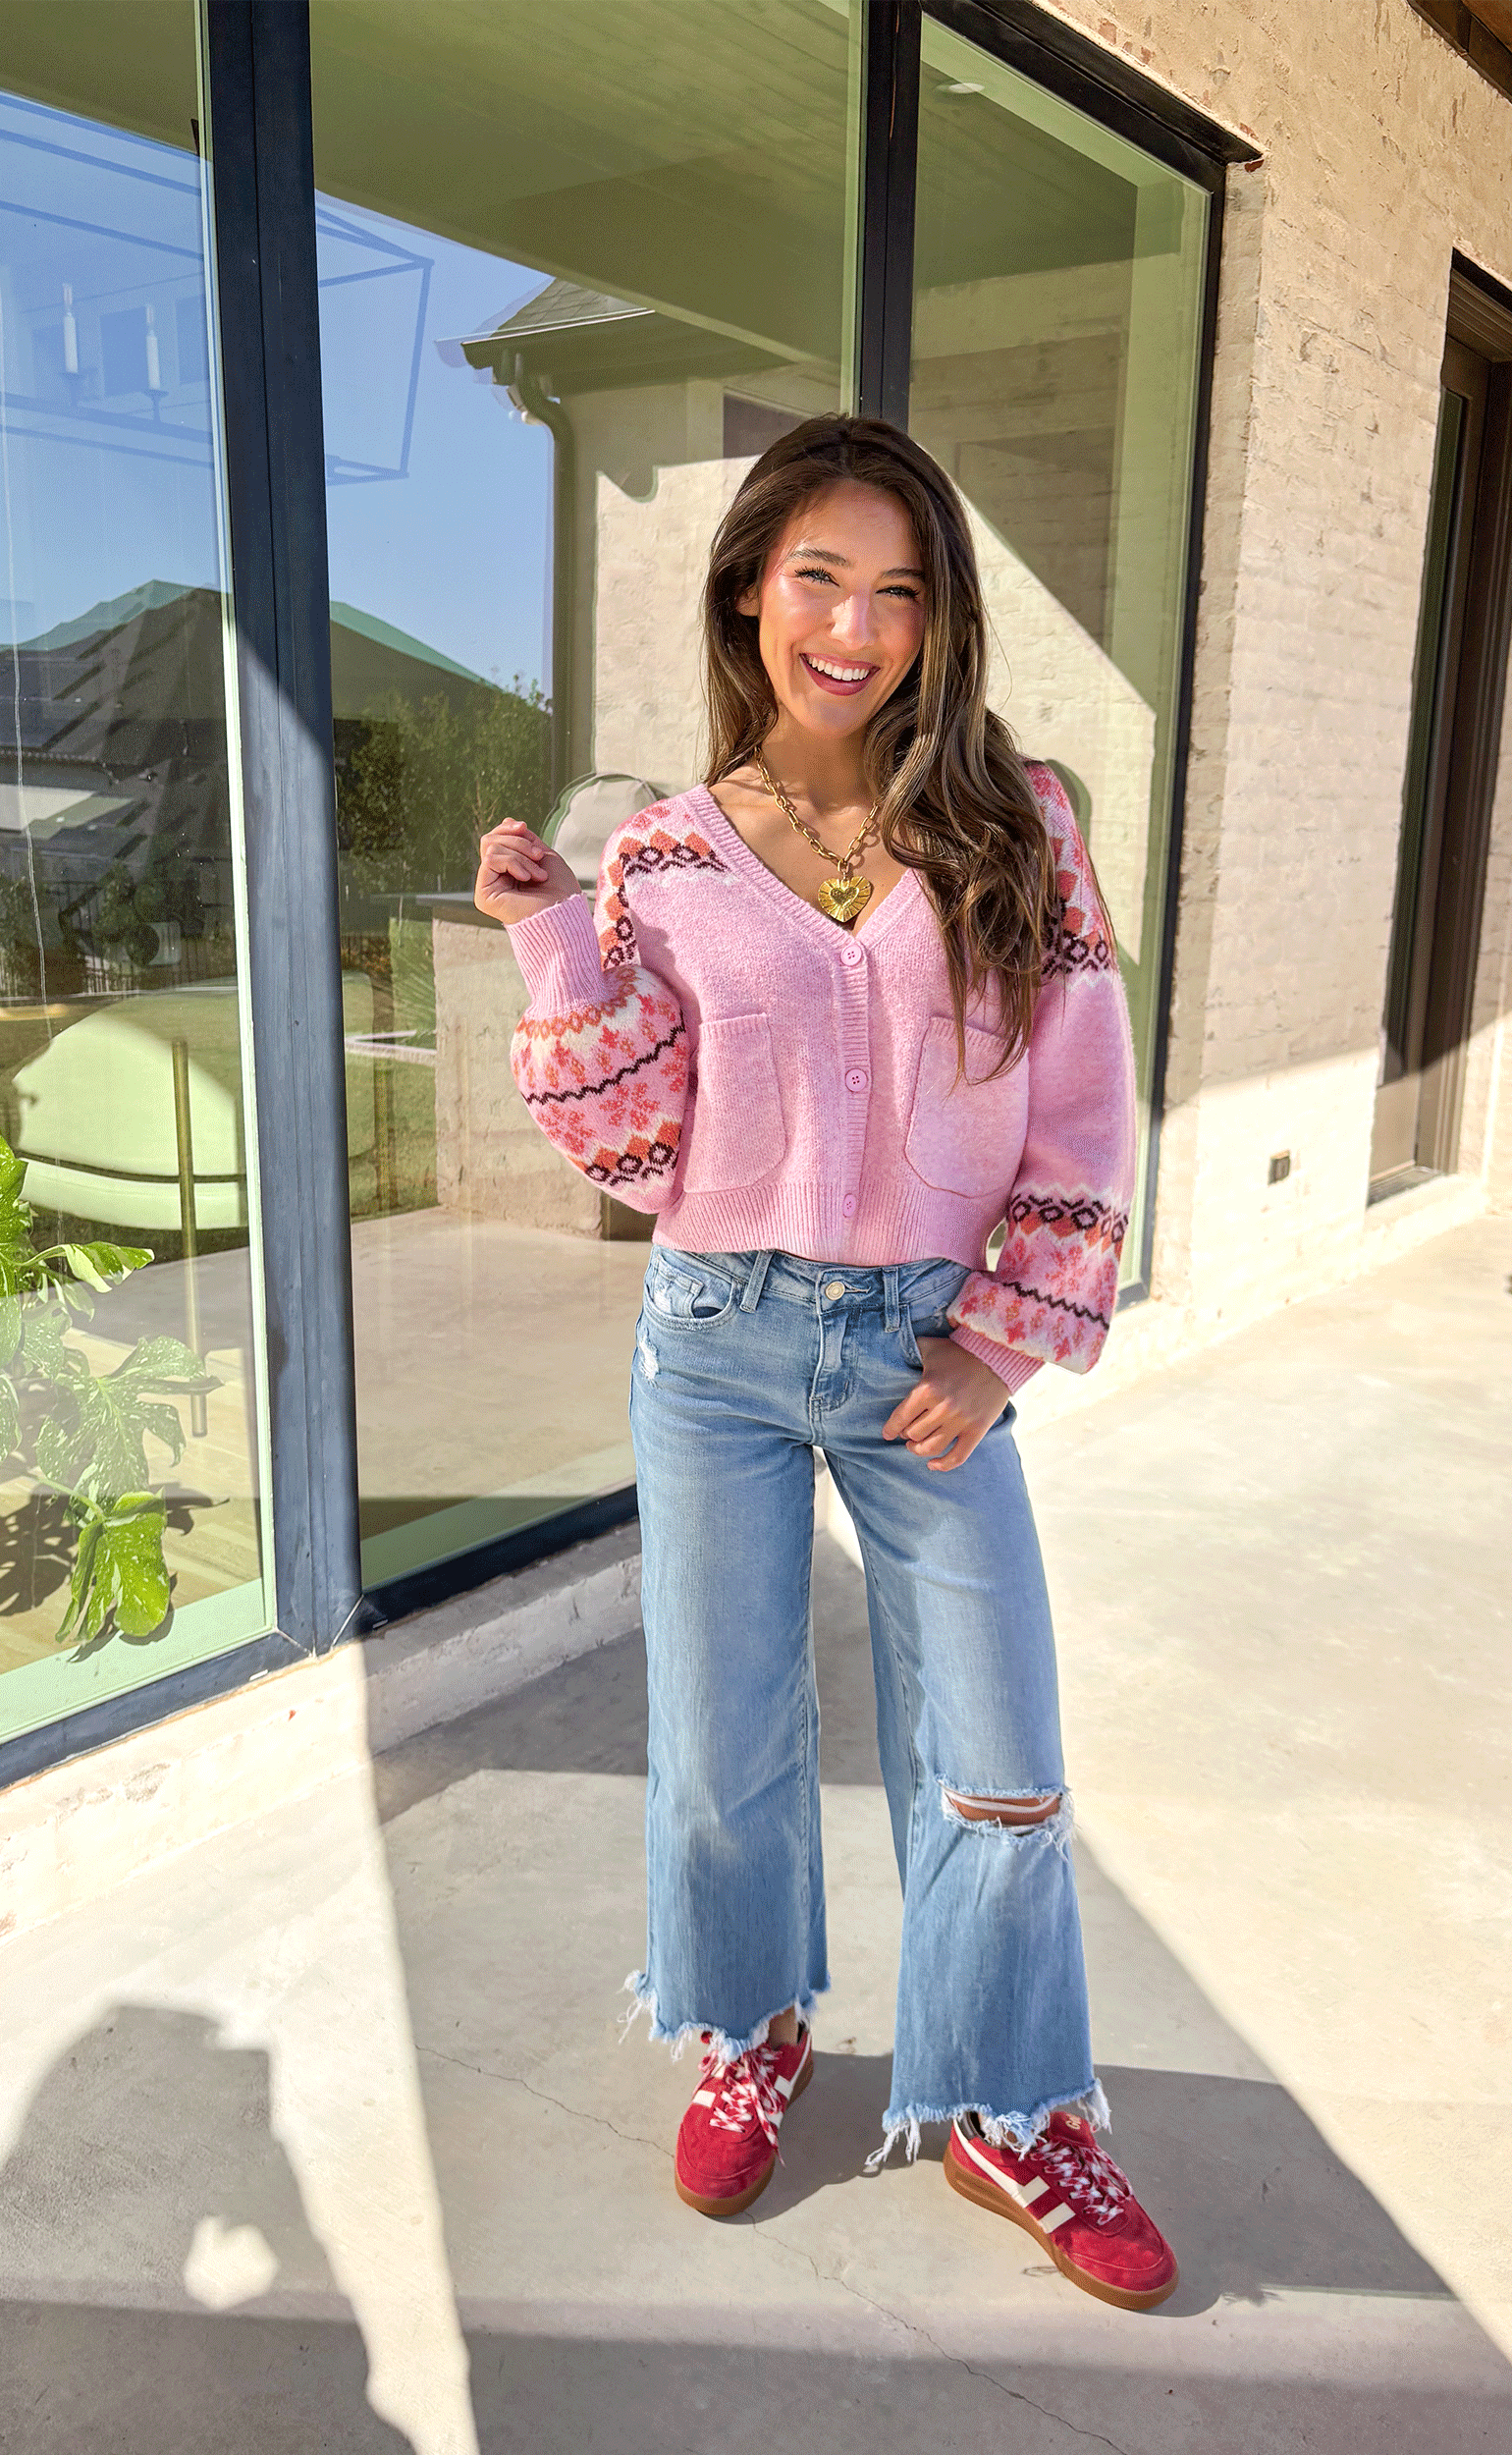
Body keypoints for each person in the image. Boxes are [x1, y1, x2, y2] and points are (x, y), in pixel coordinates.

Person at [473, 414, 1177, 2313]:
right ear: (748, 593)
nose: (854, 625)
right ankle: (749, 2025)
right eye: (818, 580)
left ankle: (1011, 2101)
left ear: (938, 620)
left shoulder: (1019, 820)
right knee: (724, 1740)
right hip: (710, 1340)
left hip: (925, 1348)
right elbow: (637, 1150)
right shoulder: (667, 852)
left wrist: (1006, 1341)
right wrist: (555, 944)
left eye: (898, 589)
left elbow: (1087, 1101)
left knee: (1002, 1753)